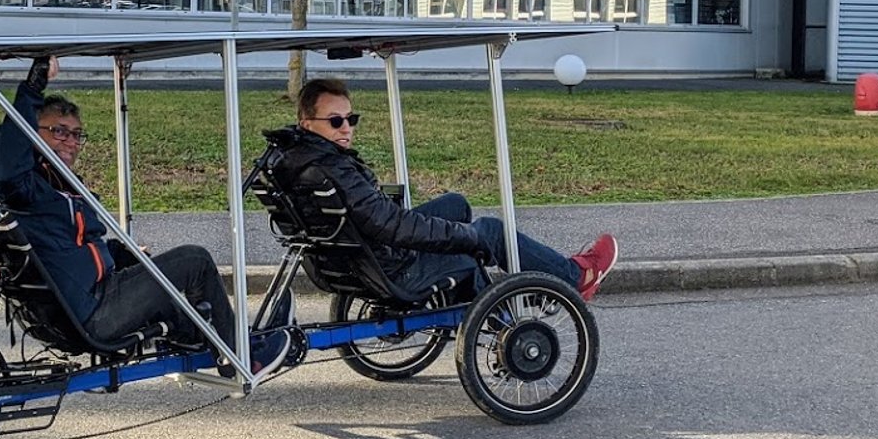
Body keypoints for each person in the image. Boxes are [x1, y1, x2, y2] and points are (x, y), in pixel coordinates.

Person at [0, 56, 291, 379]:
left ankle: (214, 337)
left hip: (83, 303)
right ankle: (243, 357)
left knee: (150, 271)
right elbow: (5, 168)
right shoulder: (24, 188)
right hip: (93, 314)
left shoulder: (53, 184)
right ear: (30, 132)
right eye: (59, 131)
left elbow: (72, 245)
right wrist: (33, 87)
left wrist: (120, 254)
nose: (70, 142)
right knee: (194, 260)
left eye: (76, 134)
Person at [263, 77, 619, 303]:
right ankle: (574, 277)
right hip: (391, 268)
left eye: (350, 119)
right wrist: (463, 237)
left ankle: (502, 291)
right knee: (488, 232)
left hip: (360, 256)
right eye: (335, 121)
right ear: (306, 123)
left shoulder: (297, 159)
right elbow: (391, 225)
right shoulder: (330, 168)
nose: (347, 128)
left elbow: (376, 219)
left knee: (455, 204)